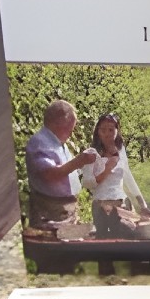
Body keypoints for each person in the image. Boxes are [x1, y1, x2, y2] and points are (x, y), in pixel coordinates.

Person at [81, 112, 150, 238]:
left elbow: (127, 178)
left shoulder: (120, 151)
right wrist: (107, 169)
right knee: (103, 241)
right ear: (98, 132)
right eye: (103, 130)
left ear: (117, 131)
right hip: (100, 206)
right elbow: (87, 183)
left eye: (111, 130)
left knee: (124, 238)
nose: (107, 134)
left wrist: (141, 205)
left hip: (120, 205)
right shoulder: (92, 153)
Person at [24, 100, 94, 233]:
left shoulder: (58, 143)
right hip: (49, 212)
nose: (71, 132)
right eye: (70, 127)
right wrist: (78, 161)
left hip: (65, 211)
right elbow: (49, 174)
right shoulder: (40, 142)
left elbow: (67, 171)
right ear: (59, 122)